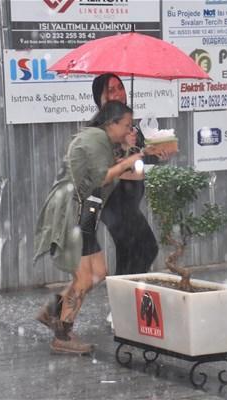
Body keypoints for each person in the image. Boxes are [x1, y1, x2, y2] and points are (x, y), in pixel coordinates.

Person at [34, 101, 142, 355]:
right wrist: (130, 160)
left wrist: (129, 153)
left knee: (99, 273)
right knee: (84, 278)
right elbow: (100, 178)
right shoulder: (95, 139)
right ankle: (63, 334)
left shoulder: (104, 143)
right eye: (126, 125)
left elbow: (127, 175)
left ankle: (52, 310)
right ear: (111, 123)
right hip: (72, 212)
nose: (129, 130)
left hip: (85, 214)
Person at [91, 73, 166, 278]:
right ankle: (128, 299)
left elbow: (139, 163)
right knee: (146, 249)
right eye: (111, 90)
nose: (118, 94)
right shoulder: (100, 129)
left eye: (120, 87)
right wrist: (126, 148)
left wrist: (156, 153)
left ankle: (122, 304)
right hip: (115, 201)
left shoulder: (129, 125)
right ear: (101, 99)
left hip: (130, 201)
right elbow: (107, 169)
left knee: (129, 255)